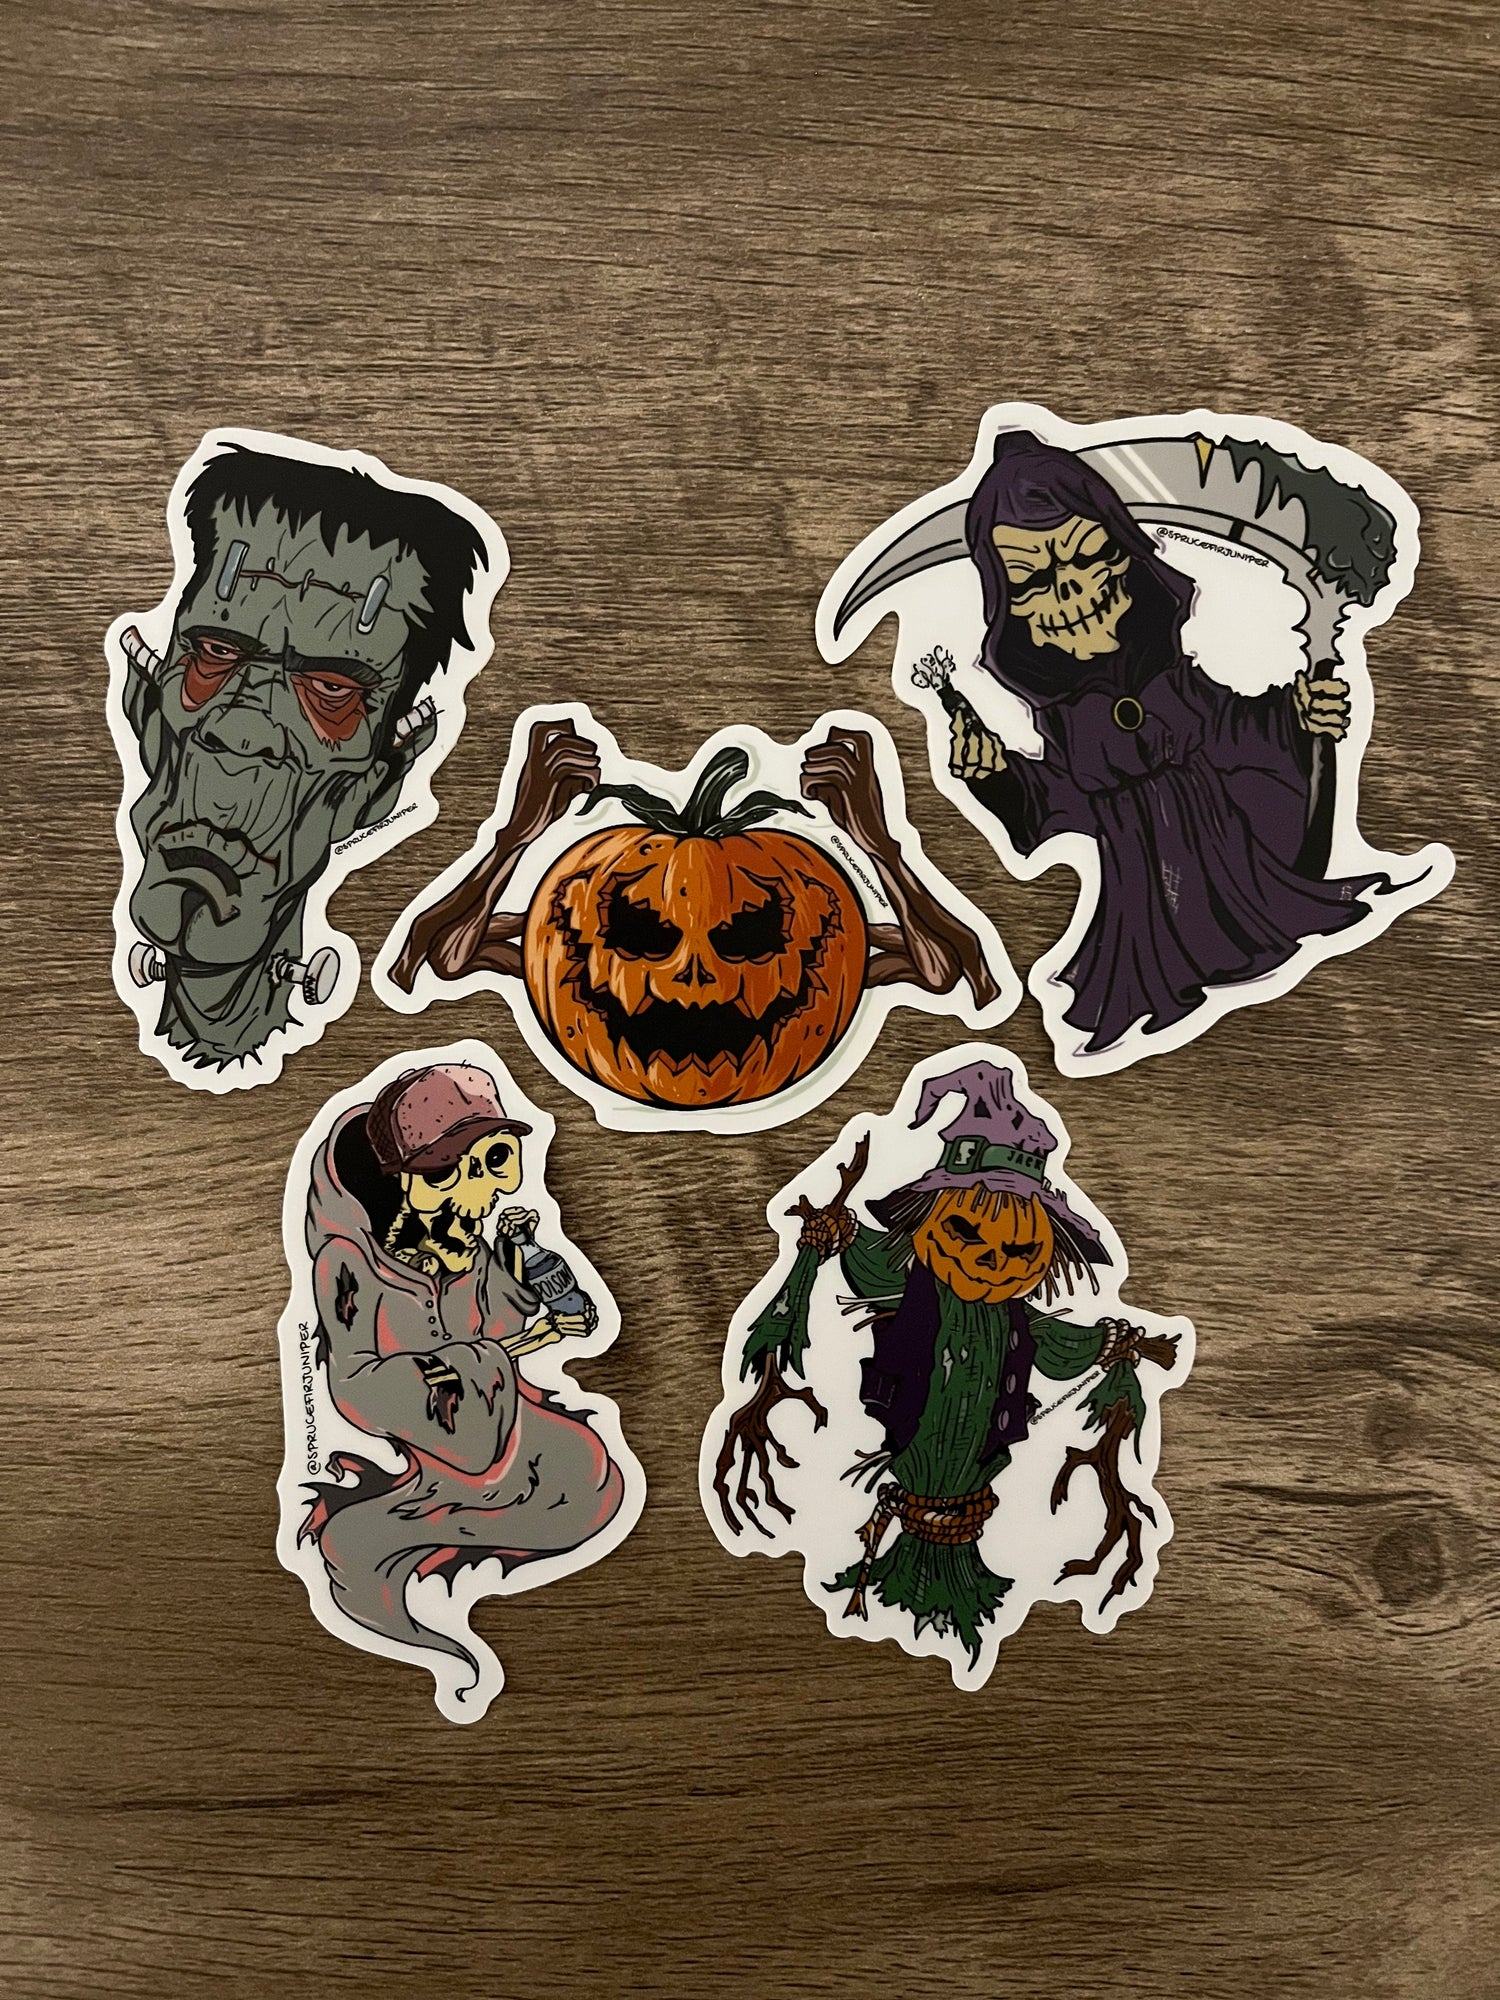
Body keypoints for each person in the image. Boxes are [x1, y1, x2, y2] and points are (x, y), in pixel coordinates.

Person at [298, 1062, 624, 1685]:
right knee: (529, 1481)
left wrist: (515, 1279)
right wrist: (481, 1366)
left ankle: (425, 1526)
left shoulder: (463, 1239)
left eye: (496, 1160)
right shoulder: (349, 1261)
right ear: (407, 1180)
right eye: (450, 1170)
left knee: (589, 1478)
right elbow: (354, 1381)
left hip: (499, 1420)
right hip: (440, 1424)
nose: (488, 1191)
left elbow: (490, 1323)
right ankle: (386, 1533)